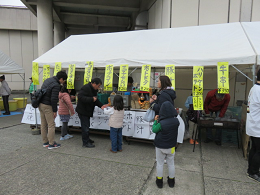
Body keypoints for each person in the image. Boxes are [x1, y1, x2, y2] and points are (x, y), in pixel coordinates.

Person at [152, 101, 180, 188]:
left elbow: (154, 130)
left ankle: (159, 182)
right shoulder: (176, 121)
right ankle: (171, 182)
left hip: (160, 146)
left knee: (160, 164)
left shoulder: (161, 123)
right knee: (171, 164)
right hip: (171, 146)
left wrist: (156, 121)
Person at [39, 71, 67, 149]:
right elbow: (54, 99)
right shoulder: (56, 85)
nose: (63, 82)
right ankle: (51, 143)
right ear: (61, 79)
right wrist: (55, 110)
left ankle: (45, 142)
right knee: (51, 125)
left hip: (41, 104)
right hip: (48, 105)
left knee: (43, 124)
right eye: (63, 80)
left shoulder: (48, 80)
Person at [76, 78, 108, 148]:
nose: (98, 87)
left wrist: (101, 105)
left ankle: (87, 139)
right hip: (83, 110)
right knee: (85, 127)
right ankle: (85, 143)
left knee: (87, 126)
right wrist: (91, 99)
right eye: (98, 85)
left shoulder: (94, 89)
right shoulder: (85, 88)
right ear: (93, 83)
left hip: (87, 111)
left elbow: (95, 100)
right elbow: (80, 97)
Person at [246, 69, 260, 183]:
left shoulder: (254, 88)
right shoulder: (259, 90)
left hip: (253, 123)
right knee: (258, 150)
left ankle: (250, 170)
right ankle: (253, 172)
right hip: (257, 125)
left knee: (254, 148)